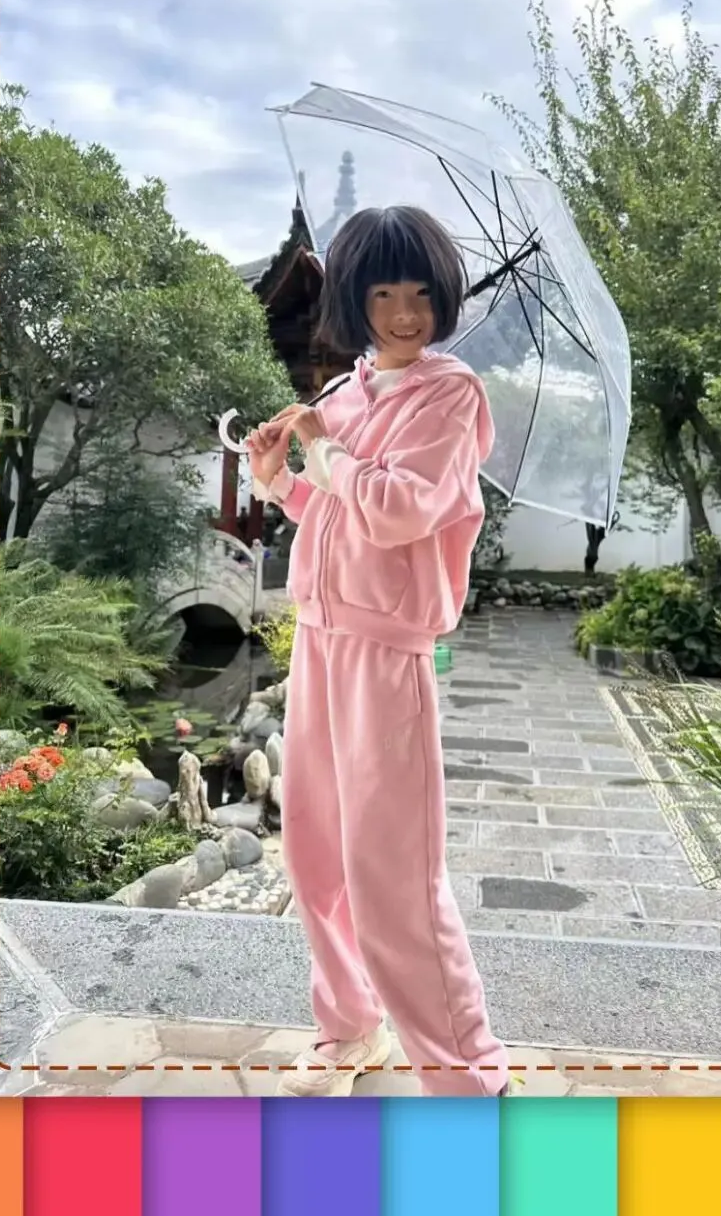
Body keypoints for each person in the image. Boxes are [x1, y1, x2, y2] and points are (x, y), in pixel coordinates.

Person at [247, 205, 513, 1098]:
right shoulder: (343, 397)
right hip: (318, 638)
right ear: (355, 301)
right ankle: (351, 1025)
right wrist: (279, 479)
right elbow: (333, 512)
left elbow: (400, 510)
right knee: (313, 850)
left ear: (444, 298)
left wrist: (324, 457)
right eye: (383, 294)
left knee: (395, 871)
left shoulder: (451, 396)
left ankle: (467, 1076)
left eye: (422, 294)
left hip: (388, 651)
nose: (404, 314)